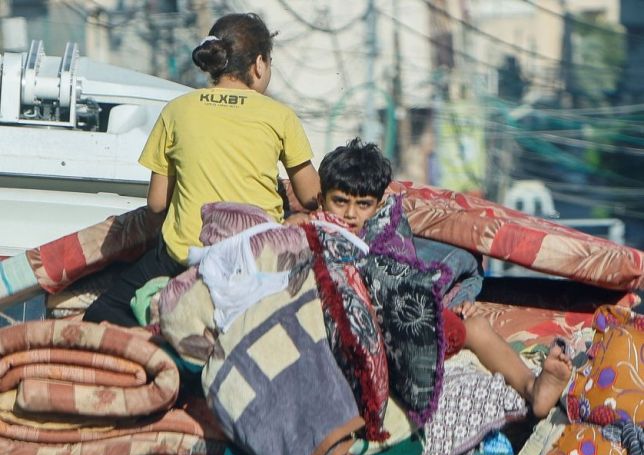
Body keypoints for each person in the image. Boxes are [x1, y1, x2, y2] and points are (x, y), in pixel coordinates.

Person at [84, 13, 320, 327]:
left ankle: (157, 341)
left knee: (99, 313)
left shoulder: (177, 110)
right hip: (254, 260)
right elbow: (312, 196)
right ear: (259, 64)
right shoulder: (280, 116)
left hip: (183, 257)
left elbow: (157, 203)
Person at [317, 138, 572, 420]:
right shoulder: (311, 234)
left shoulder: (389, 237)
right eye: (340, 202)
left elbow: (410, 285)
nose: (350, 214)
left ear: (378, 207)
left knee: (475, 327)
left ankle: (532, 388)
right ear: (321, 200)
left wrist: (447, 307)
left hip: (402, 331)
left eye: (363, 204)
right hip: (349, 332)